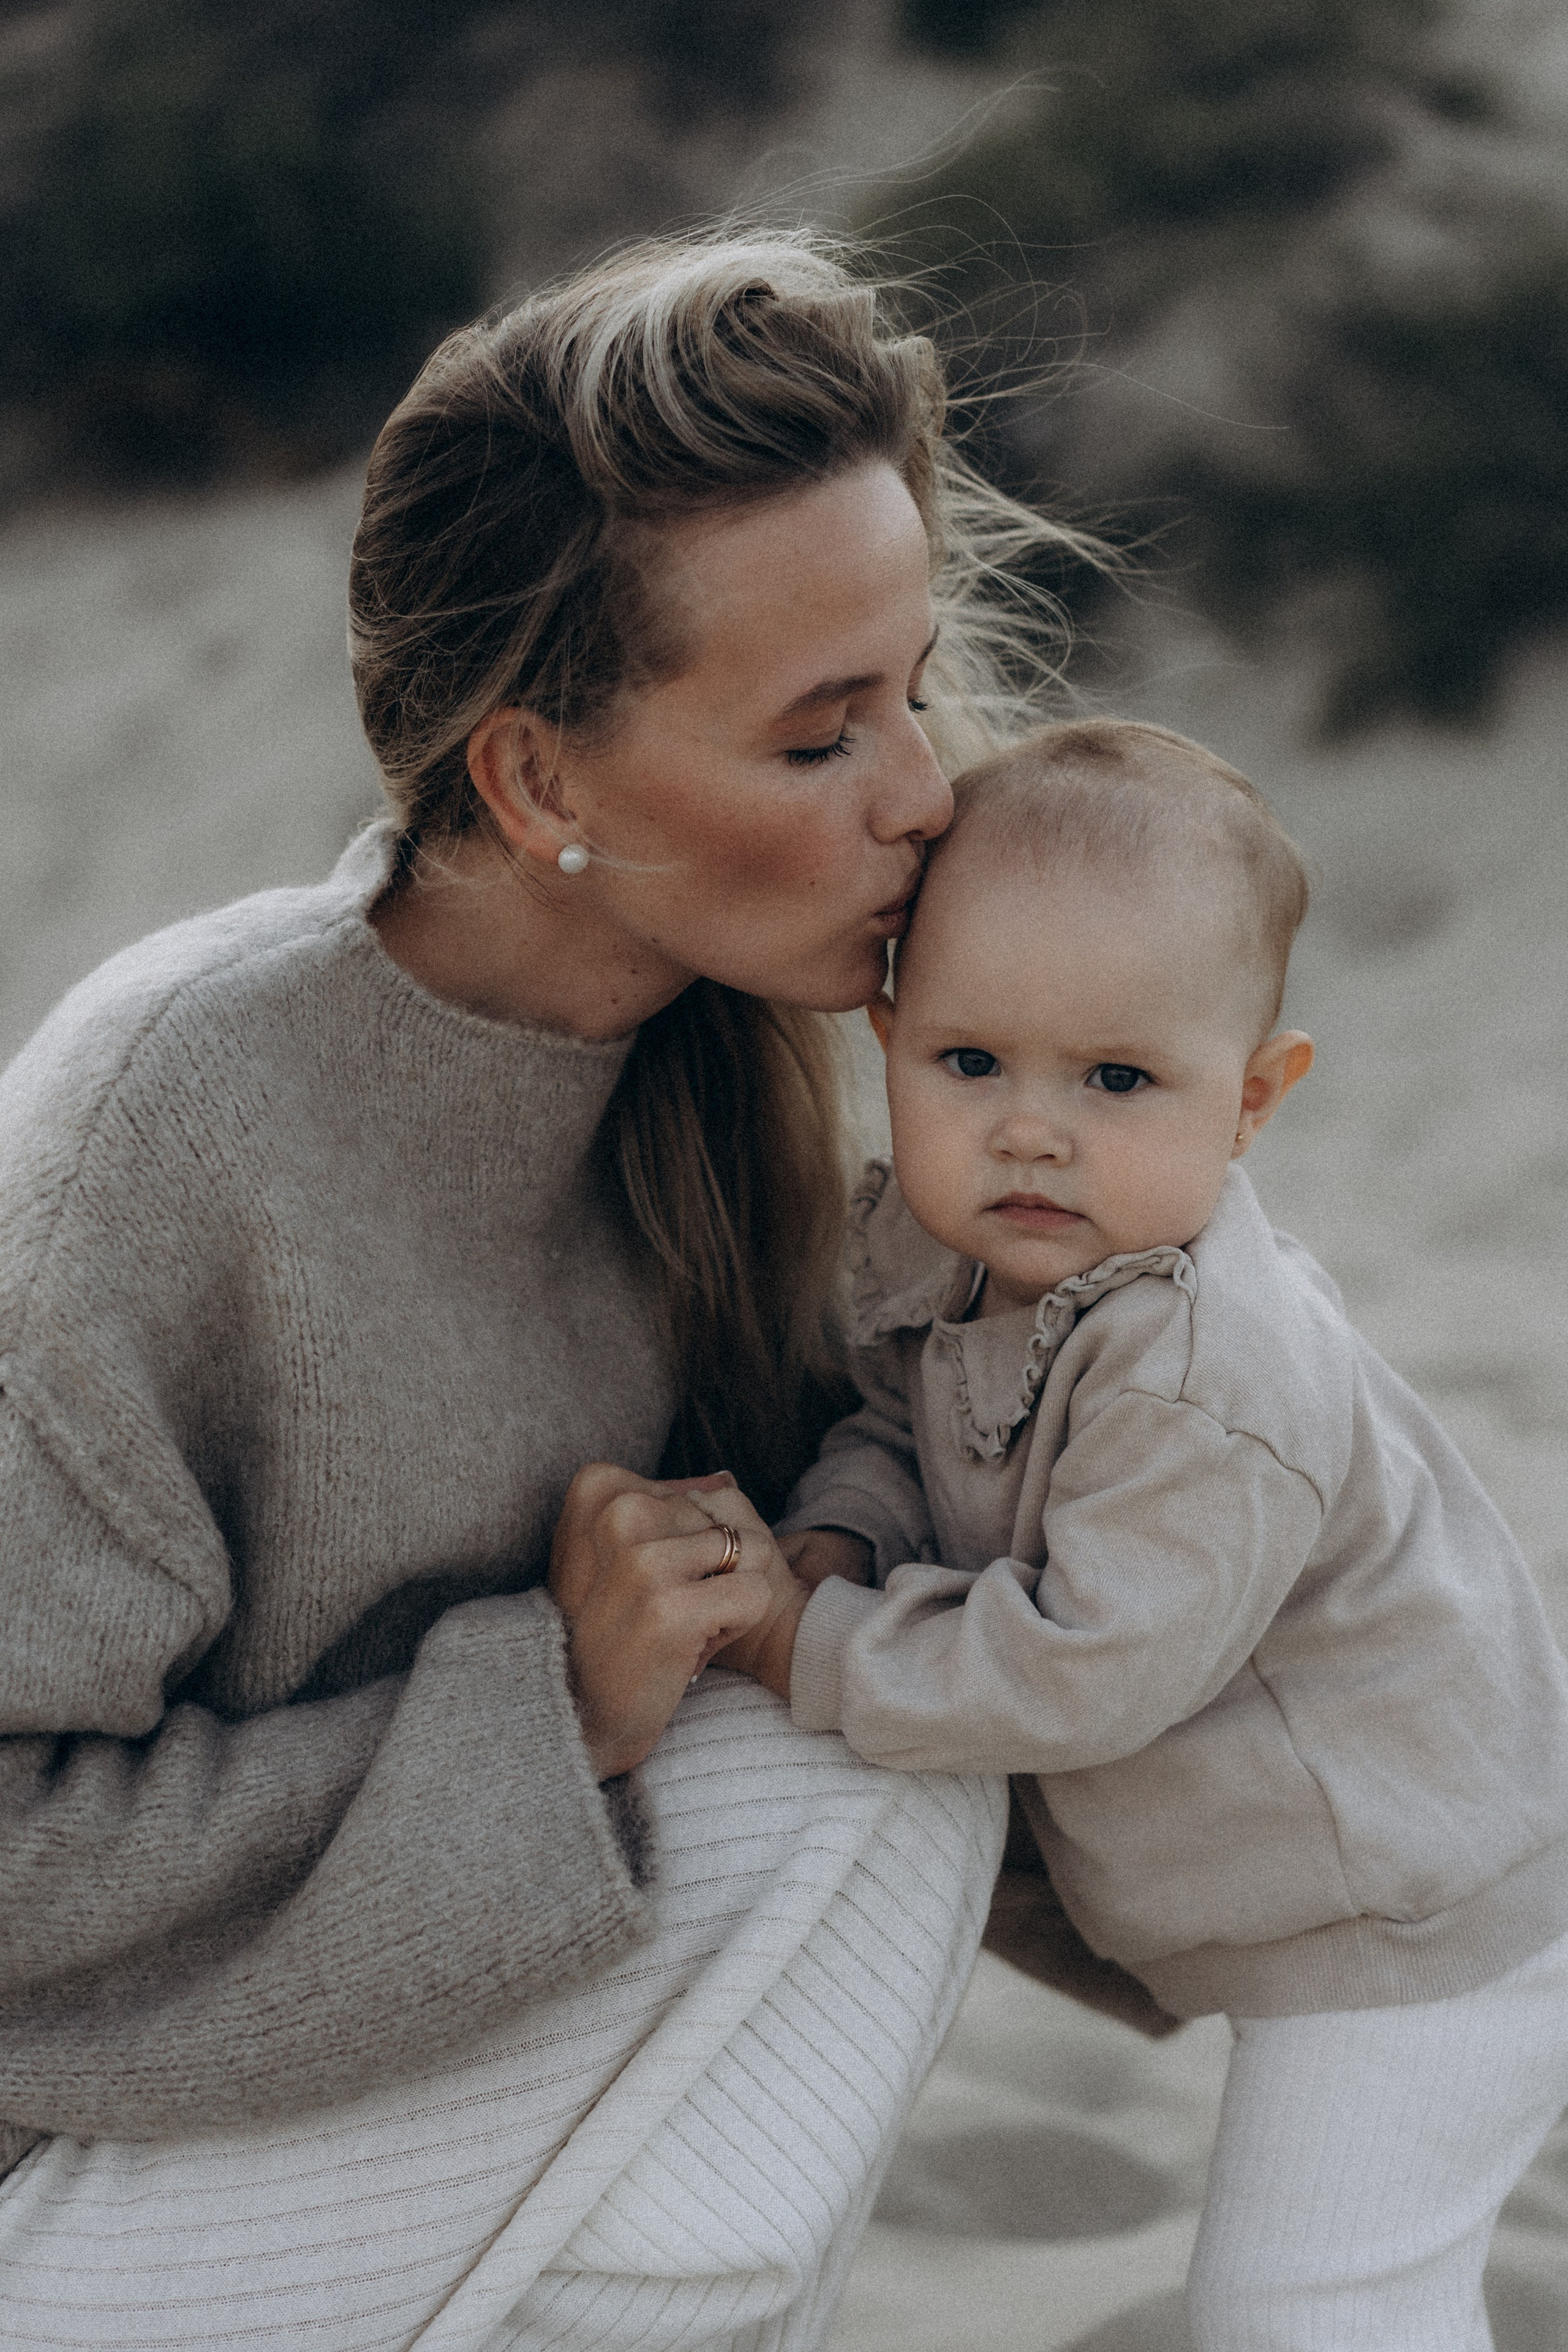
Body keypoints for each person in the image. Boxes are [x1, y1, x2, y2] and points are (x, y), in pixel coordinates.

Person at [0, 231, 1096, 2351]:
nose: (925, 794)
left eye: (913, 686)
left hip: (352, 2106)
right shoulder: (172, 1121)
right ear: (536, 783)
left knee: (859, 1726)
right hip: (56, 2180)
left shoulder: (726, 1084)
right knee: (828, 1773)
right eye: (821, 739)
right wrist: (551, 1713)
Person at [742, 718, 1568, 2351]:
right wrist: (842, 1533)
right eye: (970, 1063)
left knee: (1309, 2307)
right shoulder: (958, 1244)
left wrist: (805, 1643)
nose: (1031, 1129)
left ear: (1252, 1100)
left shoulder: (1210, 1381)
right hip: (1292, 1895)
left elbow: (1085, 1669)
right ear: (889, 1036)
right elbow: (908, 1423)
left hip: (1418, 1916)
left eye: (1117, 1080)